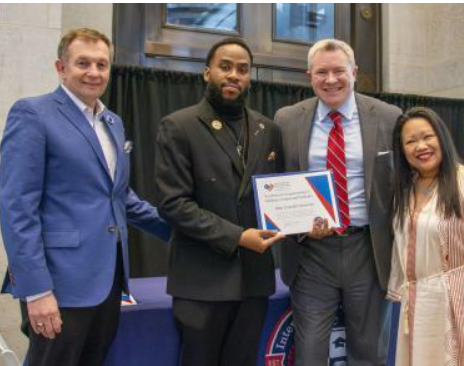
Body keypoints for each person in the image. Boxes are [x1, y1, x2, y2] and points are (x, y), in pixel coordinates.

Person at [0, 28, 170, 366]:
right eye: (83, 63)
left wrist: (187, 230)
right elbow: (17, 207)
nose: (94, 72)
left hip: (107, 281)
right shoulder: (33, 114)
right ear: (61, 68)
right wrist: (37, 291)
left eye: (102, 64)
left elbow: (119, 198)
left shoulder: (113, 122)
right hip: (58, 284)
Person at [154, 37, 284, 366]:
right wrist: (238, 237)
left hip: (253, 283)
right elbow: (174, 205)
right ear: (206, 72)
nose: (234, 75)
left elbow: (278, 195)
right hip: (202, 284)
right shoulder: (179, 126)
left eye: (242, 69)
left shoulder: (267, 129)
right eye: (225, 67)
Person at [275, 38, 402, 365]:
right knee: (310, 353)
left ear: (354, 72)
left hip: (369, 251)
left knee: (369, 352)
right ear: (309, 76)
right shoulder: (287, 119)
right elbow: (279, 184)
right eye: (321, 72)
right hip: (311, 253)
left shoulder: (388, 117)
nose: (331, 80)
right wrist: (298, 225)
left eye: (338, 71)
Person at [388, 107, 464, 365]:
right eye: (410, 141)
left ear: (442, 137)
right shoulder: (404, 191)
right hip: (416, 305)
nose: (420, 146)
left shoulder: (461, 182)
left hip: (454, 301)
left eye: (427, 137)